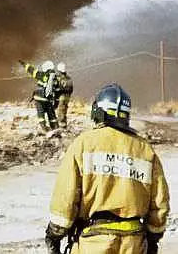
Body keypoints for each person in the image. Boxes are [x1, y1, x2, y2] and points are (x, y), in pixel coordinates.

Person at [45, 83, 170, 254]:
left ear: (97, 111)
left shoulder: (84, 144)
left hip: (93, 242)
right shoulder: (145, 150)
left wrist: (54, 234)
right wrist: (153, 238)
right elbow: (159, 202)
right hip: (133, 243)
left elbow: (66, 196)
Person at [21, 60, 58, 132]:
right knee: (51, 114)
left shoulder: (42, 75)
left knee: (40, 113)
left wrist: (24, 64)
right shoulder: (55, 78)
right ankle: (55, 127)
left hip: (39, 98)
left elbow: (32, 71)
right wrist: (56, 101)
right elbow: (57, 90)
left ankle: (44, 128)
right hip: (49, 99)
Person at [54, 63, 74, 128]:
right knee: (64, 110)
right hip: (67, 97)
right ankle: (64, 123)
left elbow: (56, 88)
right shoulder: (69, 78)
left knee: (60, 111)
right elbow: (71, 89)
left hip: (61, 97)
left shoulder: (58, 78)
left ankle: (62, 125)